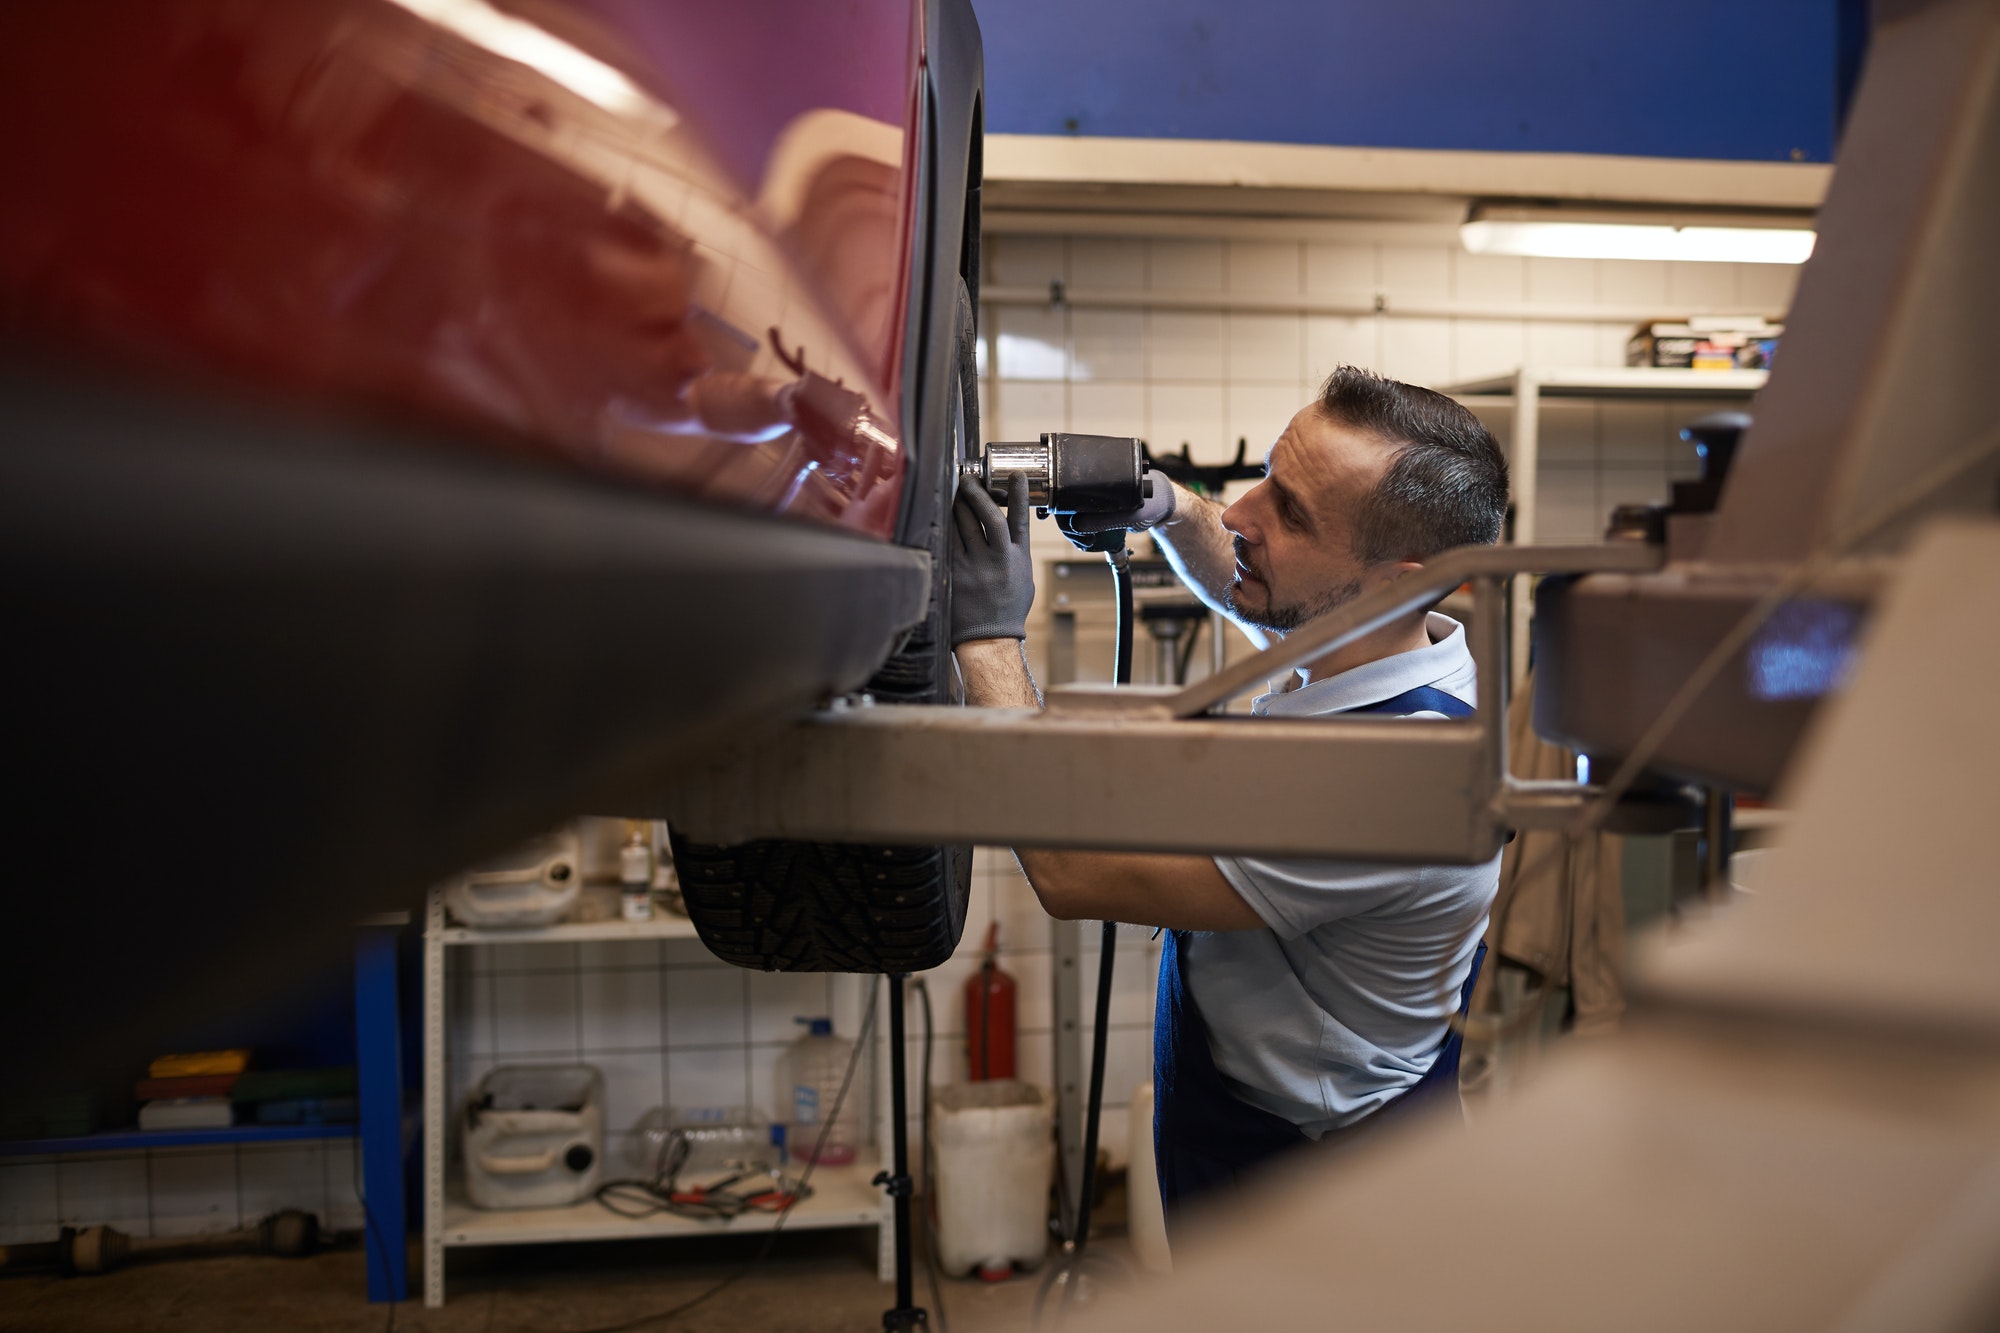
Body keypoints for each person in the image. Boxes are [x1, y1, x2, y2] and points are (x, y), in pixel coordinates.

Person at [948, 365, 1510, 1222]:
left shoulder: (1395, 783)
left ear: (1397, 576)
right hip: (1253, 1122)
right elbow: (1269, 599)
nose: (1241, 513)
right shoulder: (1382, 643)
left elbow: (1068, 871)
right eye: (1269, 479)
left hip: (1321, 1191)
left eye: (1290, 510)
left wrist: (987, 634)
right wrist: (1166, 505)